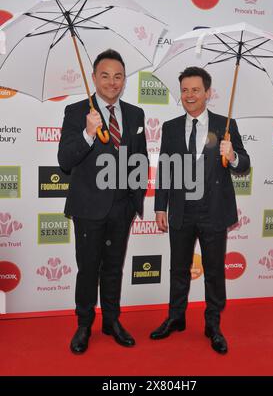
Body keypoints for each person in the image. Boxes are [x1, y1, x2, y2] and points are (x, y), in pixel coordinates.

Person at [150, 66, 250, 354]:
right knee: (178, 268)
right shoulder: (170, 127)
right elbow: (165, 169)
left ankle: (213, 324)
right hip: (181, 210)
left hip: (214, 210)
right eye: (184, 90)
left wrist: (231, 156)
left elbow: (244, 164)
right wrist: (160, 207)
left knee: (215, 271)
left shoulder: (226, 124)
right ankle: (175, 317)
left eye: (196, 90)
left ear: (208, 92)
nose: (189, 95)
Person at [58, 49, 148, 354]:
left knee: (114, 268)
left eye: (118, 76)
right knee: (88, 268)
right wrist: (87, 131)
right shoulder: (77, 112)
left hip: (122, 207)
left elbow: (140, 158)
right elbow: (65, 161)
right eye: (105, 75)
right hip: (88, 206)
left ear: (124, 80)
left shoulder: (136, 114)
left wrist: (136, 201)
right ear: (94, 77)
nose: (112, 82)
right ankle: (84, 324)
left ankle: (112, 321)